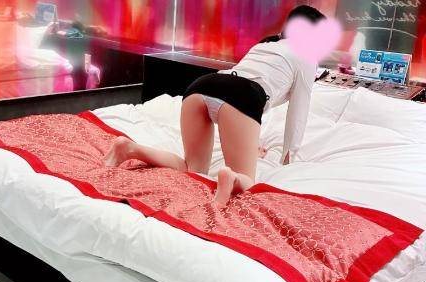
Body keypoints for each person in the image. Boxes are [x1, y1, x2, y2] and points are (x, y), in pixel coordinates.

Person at [104, 5, 324, 207]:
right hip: (240, 97)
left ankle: (129, 148)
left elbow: (245, 80)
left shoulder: (264, 45)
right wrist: (288, 158)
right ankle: (230, 177)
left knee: (192, 168)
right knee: (248, 181)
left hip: (203, 85)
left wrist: (252, 145)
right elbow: (298, 113)